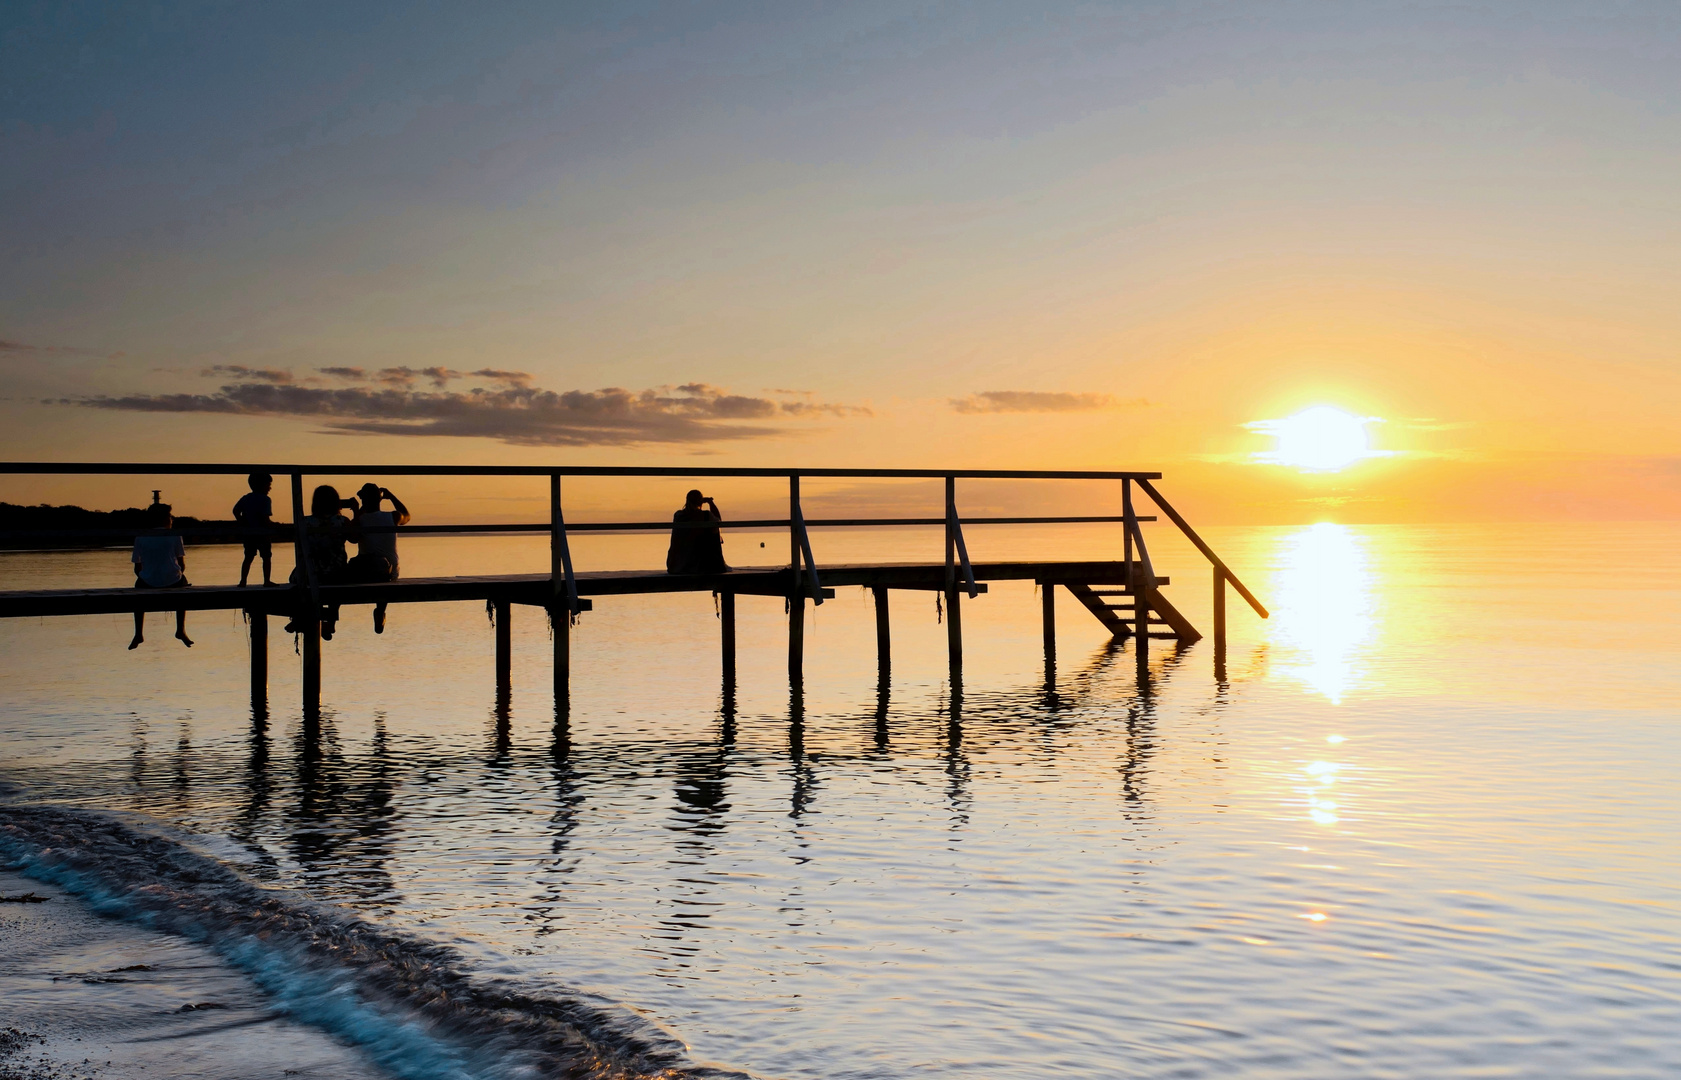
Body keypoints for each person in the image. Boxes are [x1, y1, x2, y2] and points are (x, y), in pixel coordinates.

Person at [287, 484, 357, 640]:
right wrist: (355, 511)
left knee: (298, 583)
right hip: (337, 573)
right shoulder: (342, 521)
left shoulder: (305, 522)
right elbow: (355, 538)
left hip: (312, 572)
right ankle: (330, 622)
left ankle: (299, 618)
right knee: (336, 590)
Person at [130, 502, 193, 649]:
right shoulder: (175, 536)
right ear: (165, 519)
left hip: (147, 582)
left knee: (137, 594)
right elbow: (182, 565)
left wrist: (148, 576)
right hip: (173, 580)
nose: (172, 519)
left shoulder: (141, 537)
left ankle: (138, 633)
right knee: (182, 589)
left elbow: (137, 567)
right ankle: (180, 629)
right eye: (170, 516)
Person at [350, 482, 409, 633]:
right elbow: (407, 515)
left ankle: (331, 617)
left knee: (361, 565)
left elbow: (352, 537)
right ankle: (380, 610)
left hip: (366, 571)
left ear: (363, 499)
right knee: (384, 572)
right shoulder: (393, 516)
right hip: (389, 572)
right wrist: (390, 496)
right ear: (379, 499)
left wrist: (357, 511)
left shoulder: (360, 520)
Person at [666, 489, 728, 574]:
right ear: (700, 501)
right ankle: (718, 564)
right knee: (714, 533)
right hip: (698, 566)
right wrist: (711, 503)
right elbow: (718, 523)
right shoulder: (706, 515)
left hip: (675, 566)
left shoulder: (678, 515)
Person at [233, 472, 274, 587]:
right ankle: (267, 581)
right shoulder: (266, 500)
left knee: (248, 557)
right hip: (263, 533)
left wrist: (242, 522)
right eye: (268, 485)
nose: (270, 488)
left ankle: (243, 581)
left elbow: (235, 510)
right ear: (261, 485)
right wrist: (274, 527)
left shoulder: (246, 498)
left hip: (249, 533)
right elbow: (265, 518)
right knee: (266, 557)